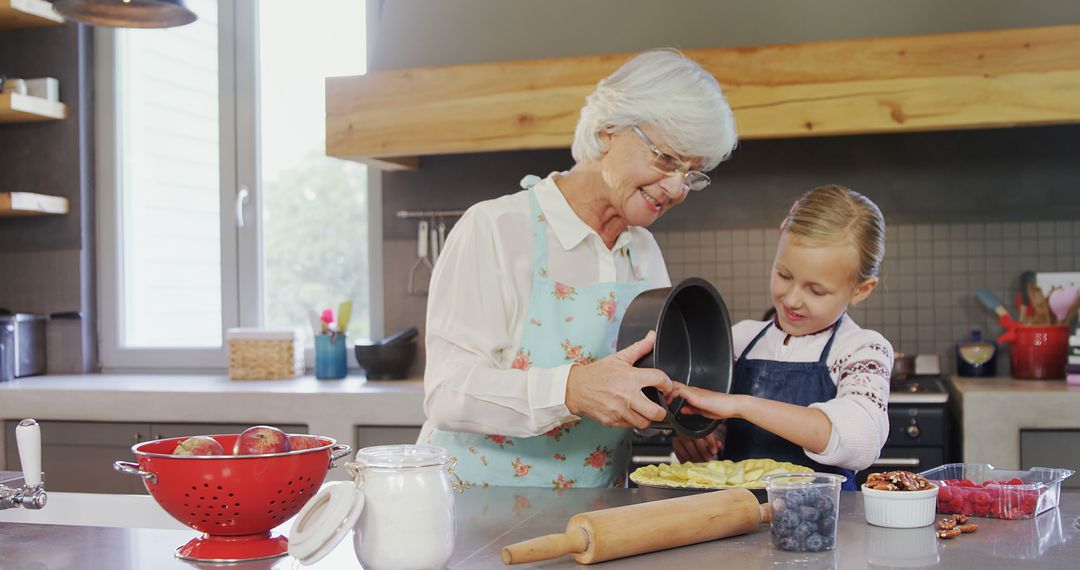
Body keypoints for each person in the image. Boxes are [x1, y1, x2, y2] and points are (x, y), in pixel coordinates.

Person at [418, 48, 739, 488]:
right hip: (472, 509)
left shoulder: (643, 253)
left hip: (595, 519)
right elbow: (447, 394)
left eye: (691, 173)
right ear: (608, 131)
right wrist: (571, 389)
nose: (676, 188)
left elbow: (644, 388)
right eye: (666, 159)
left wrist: (678, 427)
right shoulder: (496, 229)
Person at [669, 185, 892, 490]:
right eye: (784, 275)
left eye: (816, 290)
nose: (793, 299)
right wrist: (698, 441)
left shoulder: (861, 350)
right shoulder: (738, 341)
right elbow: (713, 439)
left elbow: (860, 440)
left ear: (861, 290)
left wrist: (741, 405)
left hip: (827, 527)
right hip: (738, 523)